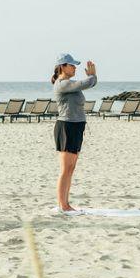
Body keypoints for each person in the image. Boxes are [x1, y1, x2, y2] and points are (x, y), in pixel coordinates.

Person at [52, 53, 97, 212]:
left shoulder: (70, 84)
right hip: (67, 127)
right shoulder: (62, 84)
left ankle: (66, 203)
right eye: (71, 65)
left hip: (77, 126)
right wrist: (93, 76)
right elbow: (85, 83)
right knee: (65, 169)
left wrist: (92, 78)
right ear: (62, 67)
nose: (74, 68)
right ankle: (62, 205)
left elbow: (87, 84)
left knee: (71, 168)